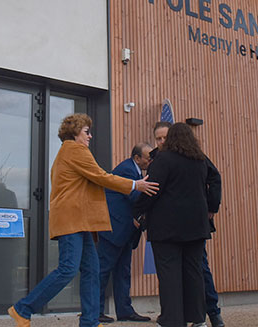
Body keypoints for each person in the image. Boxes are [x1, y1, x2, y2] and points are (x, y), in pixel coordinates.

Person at [8, 114, 159, 327]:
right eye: (87, 132)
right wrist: (135, 185)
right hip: (72, 219)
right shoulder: (75, 150)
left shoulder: (66, 152)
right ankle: (23, 309)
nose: (90, 136)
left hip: (80, 220)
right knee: (68, 268)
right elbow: (101, 176)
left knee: (91, 269)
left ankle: (89, 321)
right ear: (75, 132)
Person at [134, 122, 219, 327]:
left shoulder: (163, 159)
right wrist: (211, 207)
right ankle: (198, 319)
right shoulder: (199, 160)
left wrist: (137, 211)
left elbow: (152, 189)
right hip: (197, 227)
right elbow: (215, 179)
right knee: (194, 273)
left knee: (169, 274)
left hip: (167, 228)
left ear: (171, 138)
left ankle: (172, 320)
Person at [98, 143, 154, 324]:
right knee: (103, 270)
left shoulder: (135, 170)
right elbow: (136, 197)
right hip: (114, 230)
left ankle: (125, 311)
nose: (150, 160)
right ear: (137, 158)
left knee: (123, 271)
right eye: (147, 157)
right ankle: (95, 311)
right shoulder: (127, 171)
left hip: (124, 231)